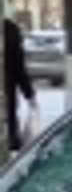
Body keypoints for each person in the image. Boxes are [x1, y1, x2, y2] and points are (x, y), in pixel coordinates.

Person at [3, 17, 36, 161]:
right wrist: (29, 95)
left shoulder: (9, 30)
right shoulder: (9, 29)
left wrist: (29, 94)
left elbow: (18, 66)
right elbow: (18, 67)